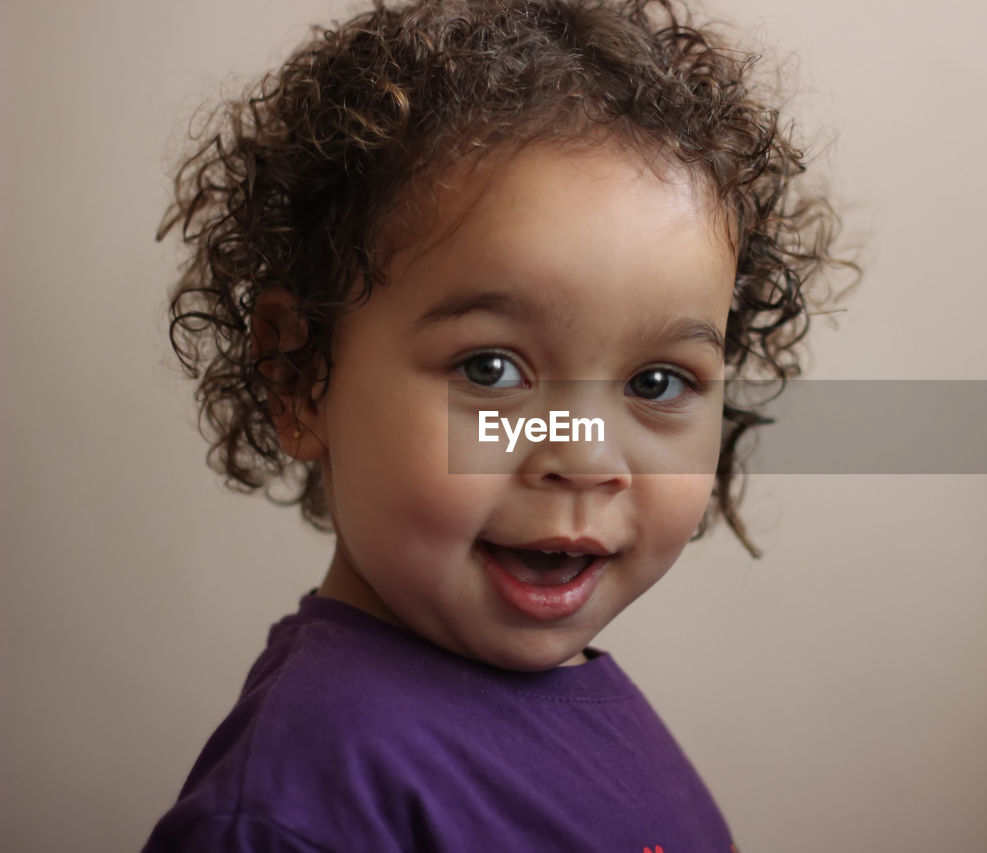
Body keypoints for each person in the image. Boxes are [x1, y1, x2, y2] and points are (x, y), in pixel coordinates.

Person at [144, 0, 856, 849]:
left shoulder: (578, 695)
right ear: (298, 375)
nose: (586, 459)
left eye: (657, 381)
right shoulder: (306, 805)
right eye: (491, 369)